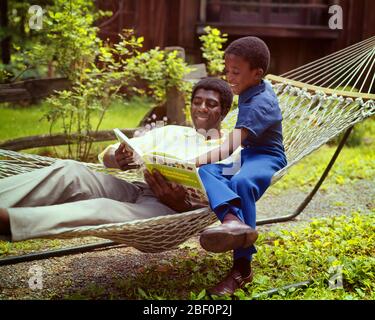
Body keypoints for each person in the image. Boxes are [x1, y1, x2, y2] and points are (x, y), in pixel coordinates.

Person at [0, 78, 233, 247]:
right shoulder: (171, 132)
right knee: (70, 171)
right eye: (197, 101)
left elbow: (220, 204)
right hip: (139, 189)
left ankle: (11, 222)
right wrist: (118, 157)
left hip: (171, 212)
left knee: (102, 207)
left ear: (223, 111)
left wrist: (181, 204)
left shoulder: (230, 150)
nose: (201, 108)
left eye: (210, 104)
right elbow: (108, 156)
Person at [191, 37, 288, 296]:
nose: (229, 77)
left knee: (241, 182)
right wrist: (202, 163)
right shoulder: (250, 89)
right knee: (208, 171)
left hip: (268, 157)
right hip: (248, 157)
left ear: (256, 74)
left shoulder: (258, 103)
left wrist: (192, 161)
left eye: (235, 72)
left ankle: (242, 268)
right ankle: (232, 219)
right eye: (227, 70)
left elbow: (229, 147)